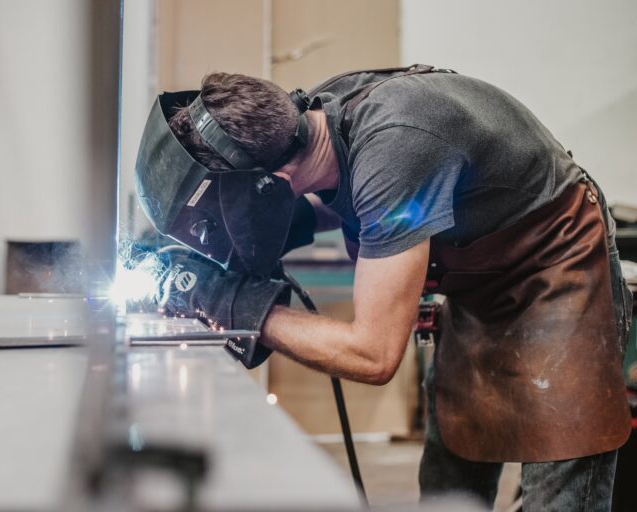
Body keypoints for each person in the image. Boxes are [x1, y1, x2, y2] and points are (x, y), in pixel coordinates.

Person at [134, 65, 633, 510]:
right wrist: (245, 244)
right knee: (450, 479)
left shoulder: (394, 144)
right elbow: (357, 197)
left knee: (559, 490)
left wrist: (236, 303)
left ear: (271, 181)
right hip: (480, 290)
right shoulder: (321, 123)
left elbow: (373, 354)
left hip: (557, 270)